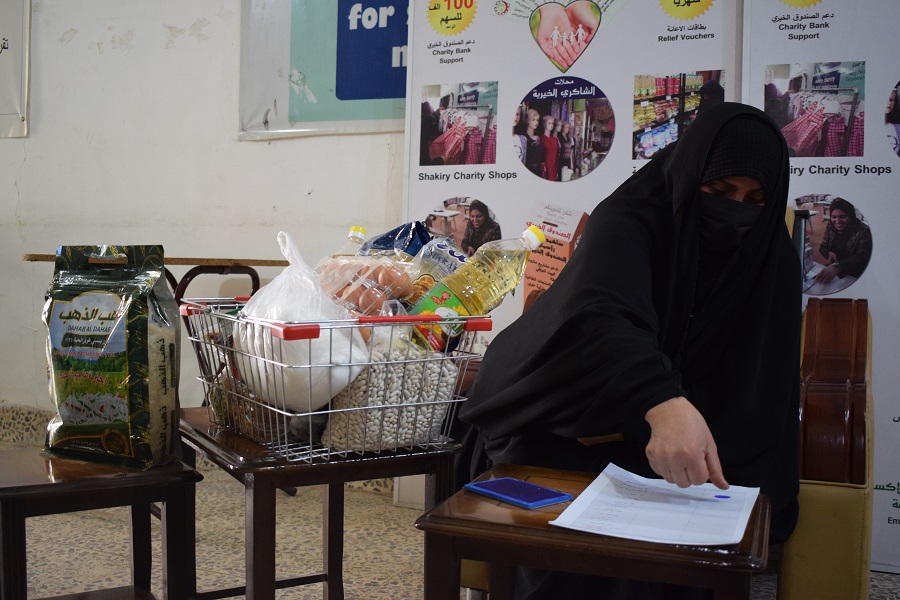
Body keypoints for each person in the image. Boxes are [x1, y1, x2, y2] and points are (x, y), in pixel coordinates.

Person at [458, 102, 801, 599]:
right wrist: (661, 402)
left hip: (677, 437)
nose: (735, 211)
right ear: (690, 174)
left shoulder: (769, 254)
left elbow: (762, 379)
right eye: (720, 192)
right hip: (567, 418)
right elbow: (603, 317)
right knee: (592, 551)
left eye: (754, 200)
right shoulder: (629, 219)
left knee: (690, 532)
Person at [813, 197, 873, 285]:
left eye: (842, 217)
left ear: (851, 216)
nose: (837, 221)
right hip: (834, 273)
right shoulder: (831, 226)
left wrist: (836, 267)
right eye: (833, 217)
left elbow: (862, 258)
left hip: (856, 276)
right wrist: (829, 253)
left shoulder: (864, 231)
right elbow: (823, 246)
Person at [523, 108, 545, 177]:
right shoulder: (524, 138)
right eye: (533, 120)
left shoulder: (538, 138)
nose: (536, 122)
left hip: (538, 171)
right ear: (528, 120)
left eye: (537, 120)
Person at [541, 114, 560, 181]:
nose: (551, 125)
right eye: (549, 123)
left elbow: (557, 157)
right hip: (545, 171)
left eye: (552, 123)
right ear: (544, 124)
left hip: (553, 170)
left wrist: (557, 171)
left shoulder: (555, 140)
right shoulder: (541, 139)